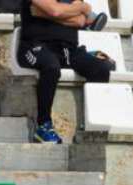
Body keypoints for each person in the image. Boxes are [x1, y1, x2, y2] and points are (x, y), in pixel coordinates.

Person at [17, 0, 112, 143]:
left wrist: (48, 13)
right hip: (36, 46)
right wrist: (82, 8)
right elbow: (56, 11)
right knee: (51, 67)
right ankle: (43, 126)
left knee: (101, 68)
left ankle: (88, 127)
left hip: (68, 50)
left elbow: (80, 21)